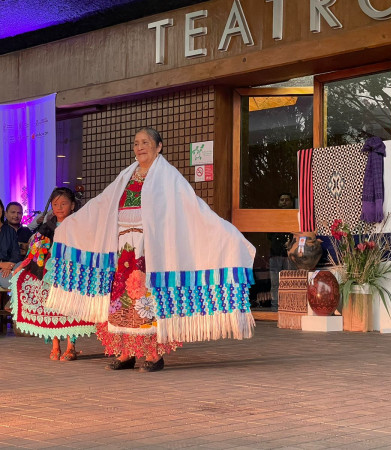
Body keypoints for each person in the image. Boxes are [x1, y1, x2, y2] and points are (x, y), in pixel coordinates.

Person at [45, 128, 256, 372]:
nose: (139, 147)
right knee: (120, 302)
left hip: (151, 252)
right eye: (136, 143)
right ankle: (125, 353)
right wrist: (70, 225)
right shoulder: (126, 176)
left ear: (159, 146)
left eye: (145, 142)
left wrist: (227, 235)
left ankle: (153, 354)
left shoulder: (169, 177)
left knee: (147, 302)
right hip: (123, 250)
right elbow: (101, 205)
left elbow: (193, 209)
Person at [9, 188, 96, 361]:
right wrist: (23, 266)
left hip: (72, 272)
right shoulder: (47, 226)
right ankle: (55, 345)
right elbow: (34, 252)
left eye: (63, 204)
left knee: (70, 308)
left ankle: (71, 346)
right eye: (55, 204)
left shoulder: (79, 224)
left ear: (72, 205)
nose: (59, 208)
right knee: (50, 306)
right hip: (48, 272)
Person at [267, 193, 297, 312]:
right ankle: (275, 308)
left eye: (287, 200)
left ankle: (290, 308)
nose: (284, 202)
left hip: (290, 255)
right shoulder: (274, 217)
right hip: (275, 255)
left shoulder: (295, 216)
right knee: (275, 284)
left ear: (291, 202)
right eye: (282, 200)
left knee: (290, 282)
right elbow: (269, 235)